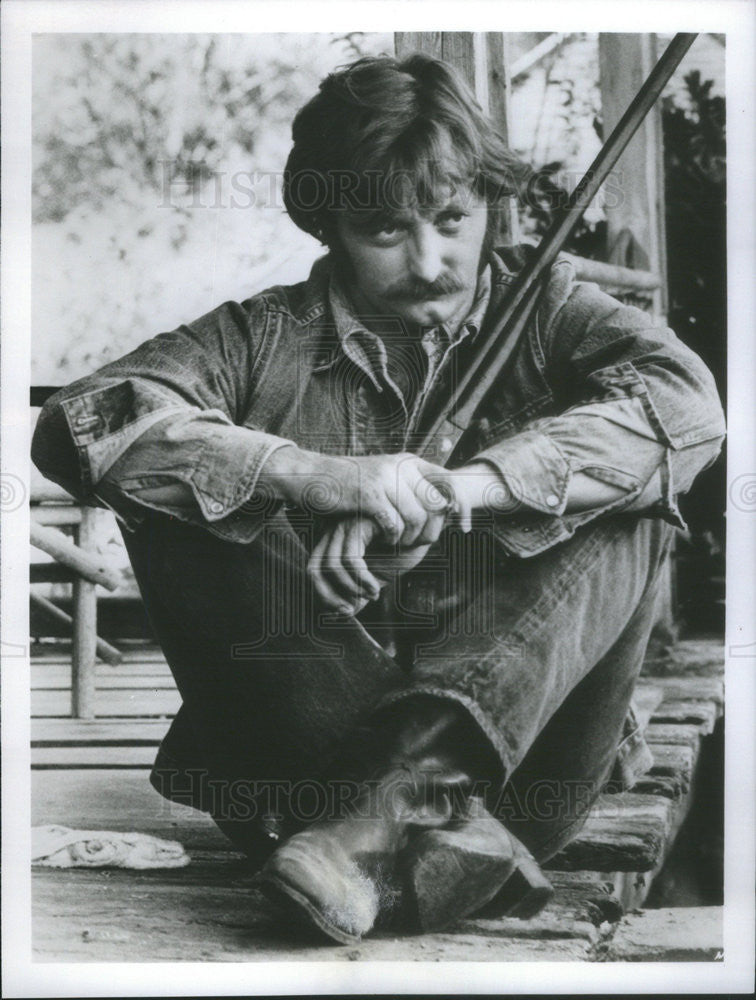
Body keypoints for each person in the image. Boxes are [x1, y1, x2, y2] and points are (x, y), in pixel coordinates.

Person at [32, 53, 725, 944]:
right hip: (299, 767)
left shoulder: (552, 312)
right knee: (177, 492)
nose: (432, 260)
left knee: (634, 488)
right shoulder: (262, 334)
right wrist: (316, 474)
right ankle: (417, 834)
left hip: (520, 776)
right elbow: (79, 424)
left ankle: (398, 807)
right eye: (386, 230)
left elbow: (691, 407)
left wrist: (471, 490)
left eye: (452, 218)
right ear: (330, 225)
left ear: (489, 205)